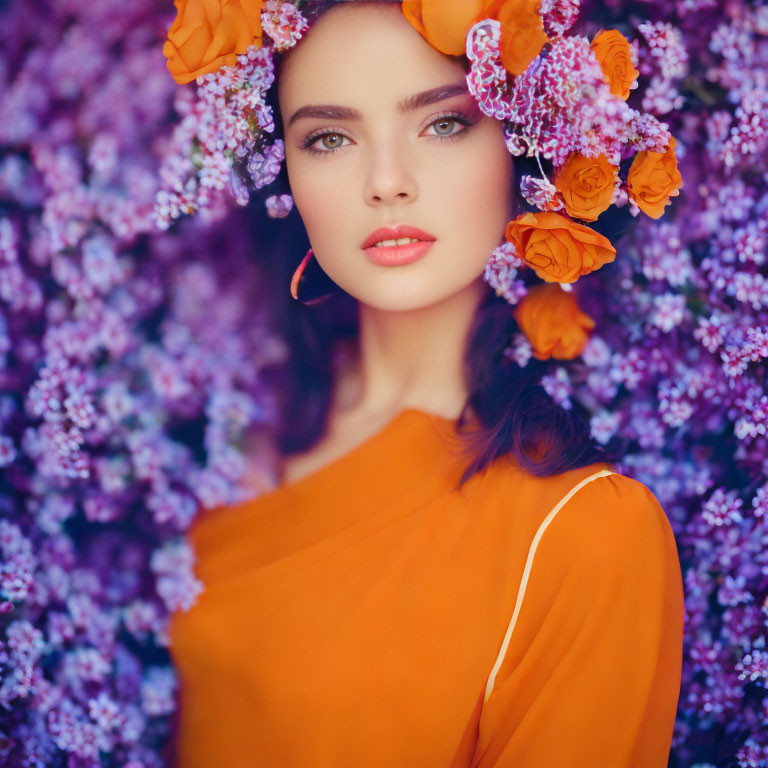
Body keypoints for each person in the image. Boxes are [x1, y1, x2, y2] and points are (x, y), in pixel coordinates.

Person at [163, 2, 685, 766]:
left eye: (444, 124)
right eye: (329, 138)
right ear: (288, 173)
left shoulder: (583, 534)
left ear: (527, 145)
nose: (385, 183)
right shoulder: (220, 437)